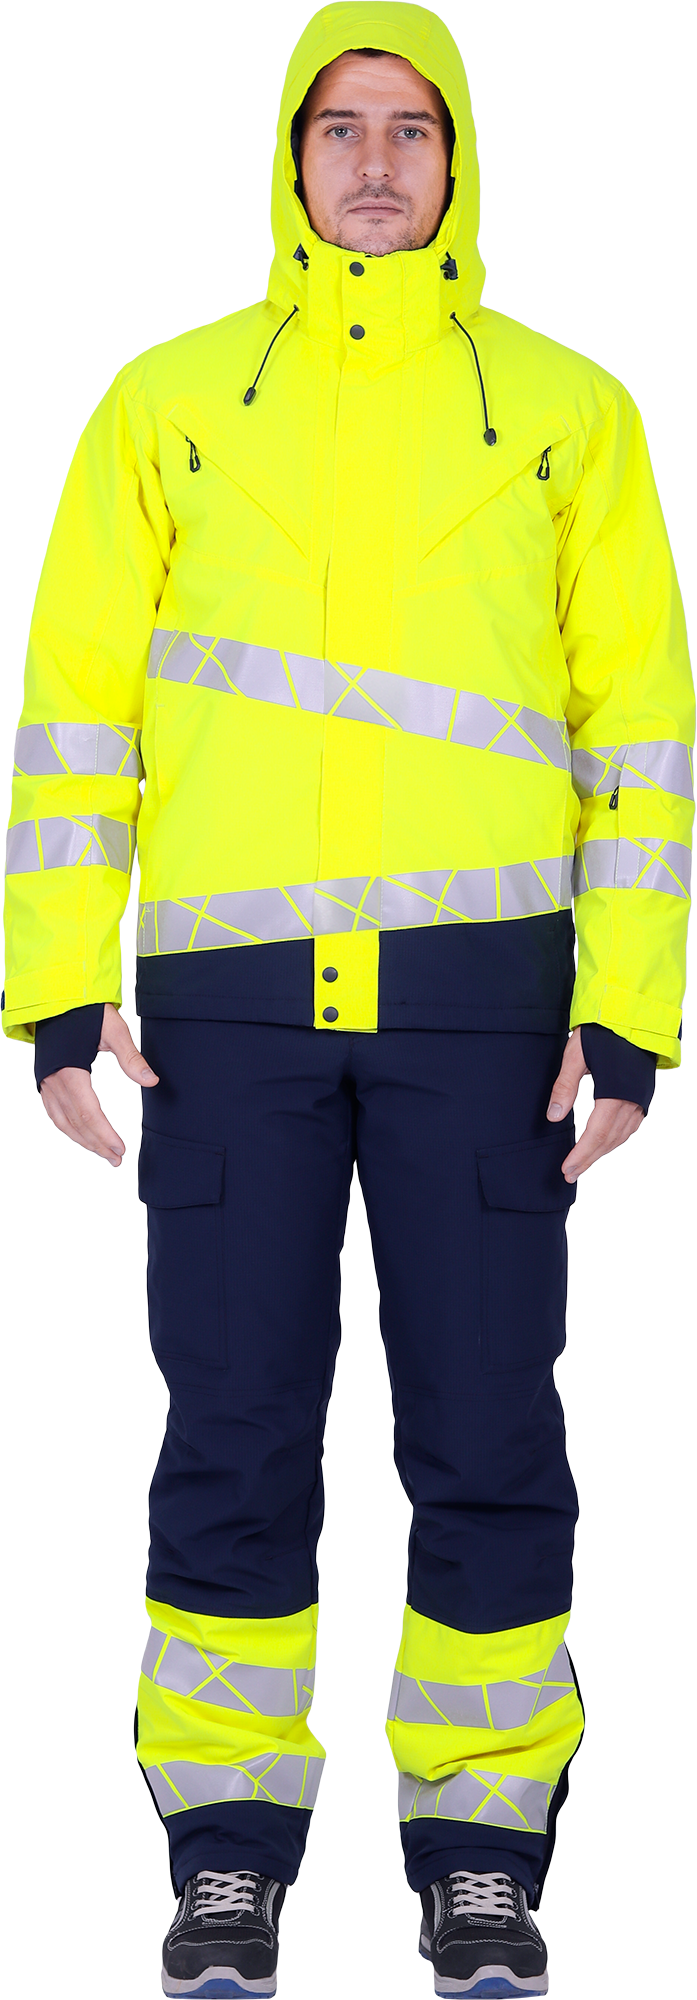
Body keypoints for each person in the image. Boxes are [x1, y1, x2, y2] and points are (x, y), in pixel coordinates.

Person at [3, 5, 693, 1996]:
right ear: (289, 158)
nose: (374, 161)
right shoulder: (167, 405)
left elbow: (640, 735)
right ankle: (227, 1852)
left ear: (458, 159)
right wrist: (57, 986)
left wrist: (631, 1010)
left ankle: (481, 1849)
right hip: (229, 1021)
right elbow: (77, 719)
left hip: (489, 1015)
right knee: (234, 1431)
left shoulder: (567, 412)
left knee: (487, 1432)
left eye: (410, 128)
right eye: (339, 127)